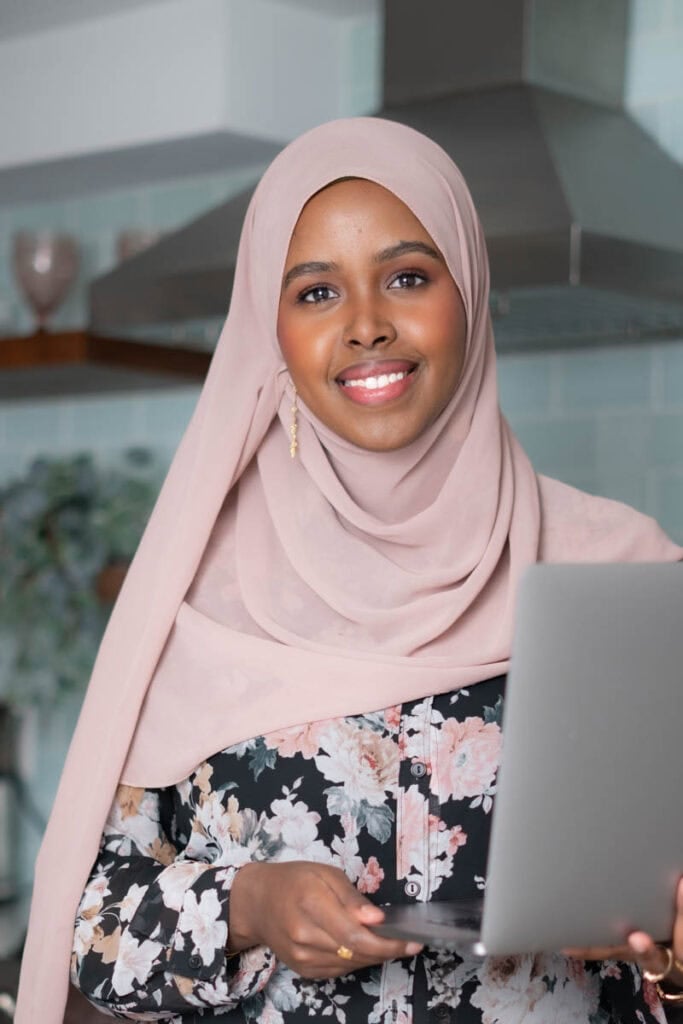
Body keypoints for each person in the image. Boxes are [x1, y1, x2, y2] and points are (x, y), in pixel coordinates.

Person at [15, 118, 683, 1023]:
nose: (367, 325)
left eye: (407, 277)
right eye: (317, 292)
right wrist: (247, 906)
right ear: (271, 331)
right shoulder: (193, 596)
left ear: (470, 293)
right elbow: (89, 931)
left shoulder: (627, 573)